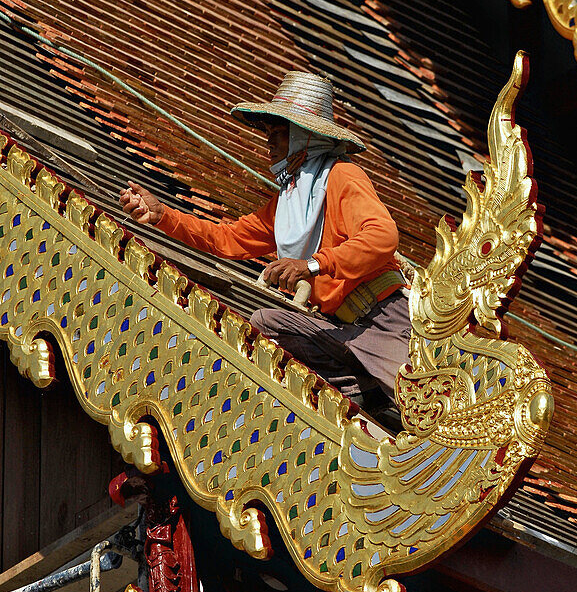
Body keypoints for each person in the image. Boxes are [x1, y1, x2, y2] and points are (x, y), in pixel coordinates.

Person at [119, 71, 410, 411]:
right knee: (264, 325)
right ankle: (360, 388)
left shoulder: (343, 175)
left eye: (279, 133)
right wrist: (163, 216)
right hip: (340, 329)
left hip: (384, 318)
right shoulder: (289, 202)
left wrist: (312, 265)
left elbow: (382, 237)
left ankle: (374, 391)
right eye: (268, 133)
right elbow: (227, 238)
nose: (269, 143)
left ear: (305, 137)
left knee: (429, 412)